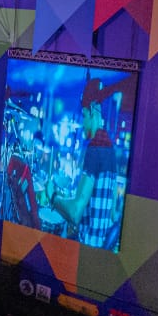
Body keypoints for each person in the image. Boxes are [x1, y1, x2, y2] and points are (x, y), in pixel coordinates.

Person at [46, 78, 123, 247]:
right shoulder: (109, 148)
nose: (83, 124)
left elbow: (75, 214)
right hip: (100, 246)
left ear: (92, 111)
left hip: (85, 248)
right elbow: (110, 214)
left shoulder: (95, 148)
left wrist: (52, 197)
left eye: (84, 116)